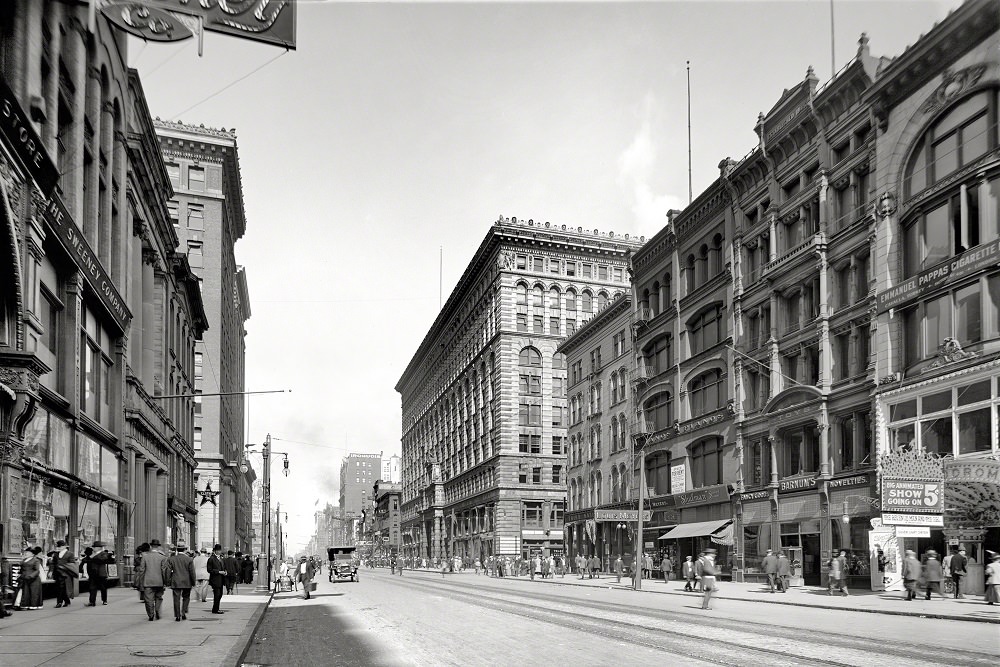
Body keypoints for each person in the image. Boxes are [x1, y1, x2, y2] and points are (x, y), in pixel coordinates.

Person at [136, 539, 168, 621]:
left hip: (148, 582)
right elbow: (164, 571)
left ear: (151, 546)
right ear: (158, 547)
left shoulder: (145, 557)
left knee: (148, 599)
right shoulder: (163, 557)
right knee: (158, 597)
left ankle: (150, 615)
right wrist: (165, 582)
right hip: (159, 581)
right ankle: (157, 610)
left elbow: (142, 570)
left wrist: (141, 582)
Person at [165, 543, 196, 621]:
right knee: (186, 597)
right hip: (187, 581)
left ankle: (177, 615)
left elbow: (168, 571)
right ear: (185, 550)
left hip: (176, 581)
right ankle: (183, 612)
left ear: (176, 549)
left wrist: (167, 582)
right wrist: (193, 582)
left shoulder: (171, 559)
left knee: (176, 598)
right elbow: (192, 572)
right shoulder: (189, 559)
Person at [83, 540, 113, 606]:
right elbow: (85, 560)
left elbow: (102, 560)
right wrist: (90, 557)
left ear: (99, 547)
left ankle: (104, 600)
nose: (93, 548)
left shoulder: (104, 553)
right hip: (93, 573)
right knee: (92, 588)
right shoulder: (91, 554)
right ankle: (92, 601)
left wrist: (92, 558)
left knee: (103, 588)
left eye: (94, 547)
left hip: (101, 573)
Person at [50, 539, 77, 608]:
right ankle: (63, 601)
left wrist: (64, 566)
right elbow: (52, 563)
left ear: (65, 546)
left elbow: (72, 563)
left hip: (66, 574)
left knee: (64, 588)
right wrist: (51, 571)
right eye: (58, 546)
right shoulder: (56, 554)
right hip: (57, 573)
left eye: (61, 546)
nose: (59, 548)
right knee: (59, 588)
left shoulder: (70, 554)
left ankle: (62, 601)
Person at [207, 544, 226, 614]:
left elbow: (223, 567)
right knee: (217, 594)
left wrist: (224, 572)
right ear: (215, 551)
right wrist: (218, 572)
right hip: (215, 579)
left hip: (221, 579)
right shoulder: (211, 559)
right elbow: (209, 570)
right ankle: (215, 609)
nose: (219, 551)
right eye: (218, 550)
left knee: (220, 594)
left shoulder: (221, 559)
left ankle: (216, 608)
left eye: (220, 550)